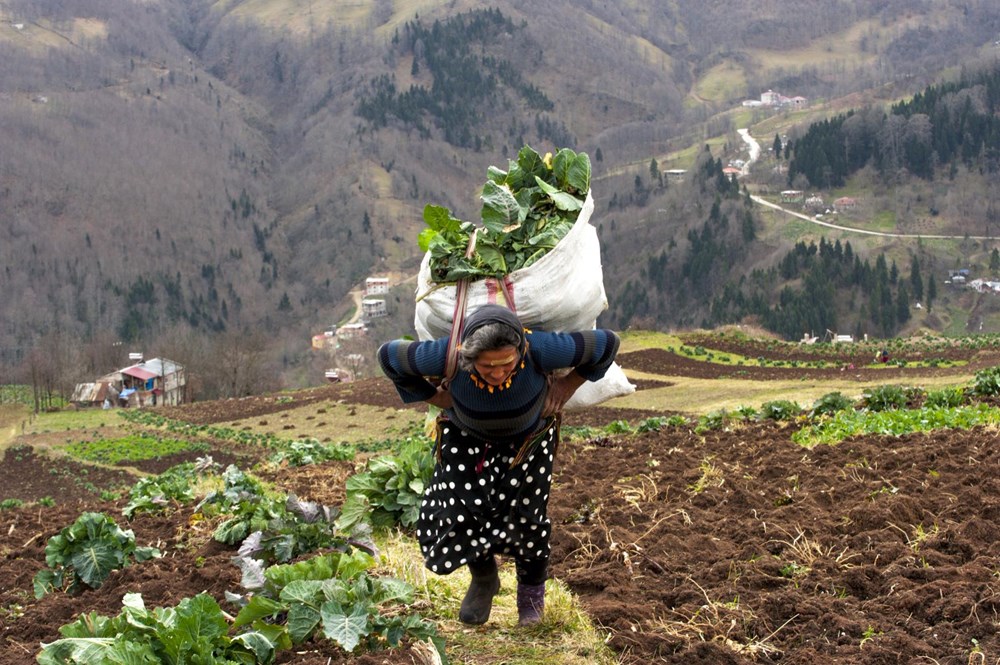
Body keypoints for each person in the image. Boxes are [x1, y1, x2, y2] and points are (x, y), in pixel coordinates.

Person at [377, 304, 620, 627]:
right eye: (486, 366)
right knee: (457, 514)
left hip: (528, 445)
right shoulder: (444, 355)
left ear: (520, 350)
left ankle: (531, 601)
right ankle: (484, 577)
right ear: (466, 356)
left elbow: (607, 344)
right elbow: (388, 357)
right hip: (466, 444)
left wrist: (567, 385)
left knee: (529, 520)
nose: (497, 373)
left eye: (507, 363)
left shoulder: (542, 349)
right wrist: (433, 396)